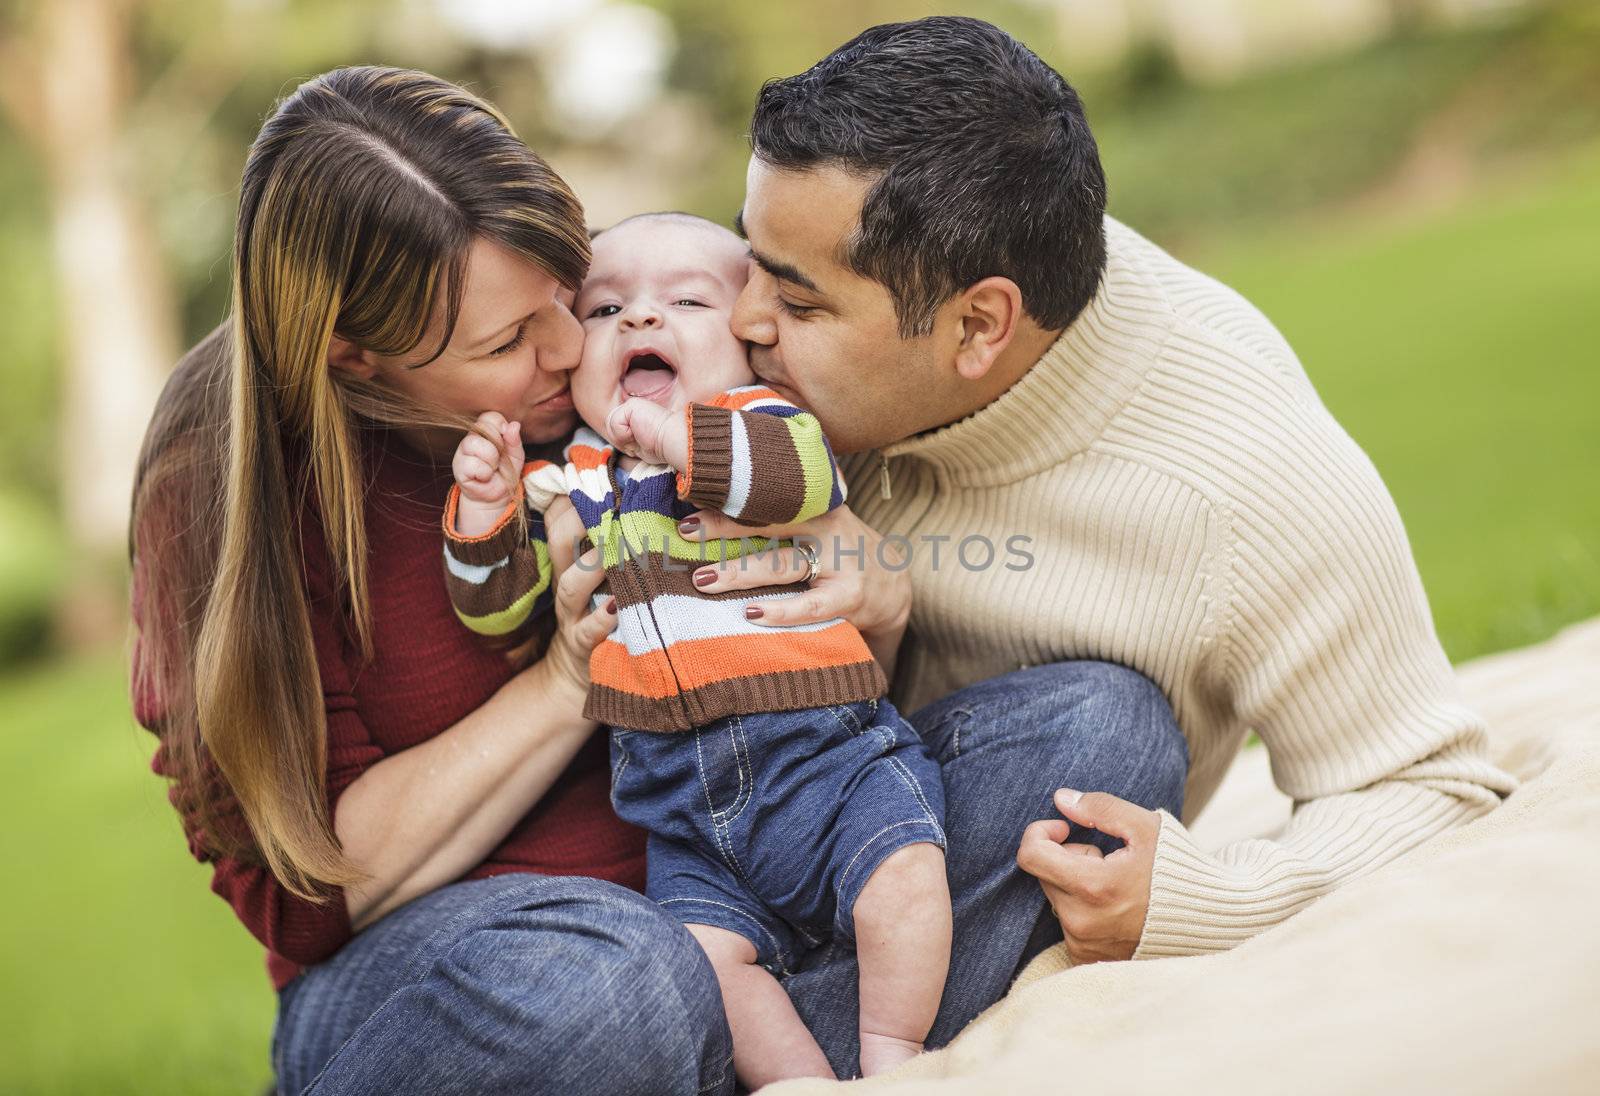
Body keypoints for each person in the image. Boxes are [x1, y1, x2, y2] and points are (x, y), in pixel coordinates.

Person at [130, 64, 1188, 1093]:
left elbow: (819, 700)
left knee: (1097, 734)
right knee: (617, 984)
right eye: (508, 338)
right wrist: (560, 678)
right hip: (498, 965)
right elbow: (312, 895)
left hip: (766, 870)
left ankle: (797, 1058)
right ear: (357, 358)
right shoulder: (226, 482)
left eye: (567, 291)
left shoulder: (649, 392)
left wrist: (873, 604)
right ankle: (730, 1038)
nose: (567, 346)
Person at [707, 14, 1518, 973]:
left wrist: (1210, 897)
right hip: (683, 796)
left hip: (939, 829)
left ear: (978, 326)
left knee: (1101, 732)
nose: (743, 315)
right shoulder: (716, 335)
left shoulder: (1239, 476)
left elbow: (1429, 780)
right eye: (745, 256)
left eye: (800, 304)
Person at [443, 212, 951, 1086]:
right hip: (678, 808)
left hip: (827, 763)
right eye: (604, 311)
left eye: (685, 299)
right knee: (703, 965)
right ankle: (800, 1082)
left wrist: (678, 440)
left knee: (904, 873)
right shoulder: (573, 475)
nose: (640, 320)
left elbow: (796, 480)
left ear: (750, 339)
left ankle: (894, 1057)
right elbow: (497, 612)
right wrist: (487, 518)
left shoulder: (763, 419)